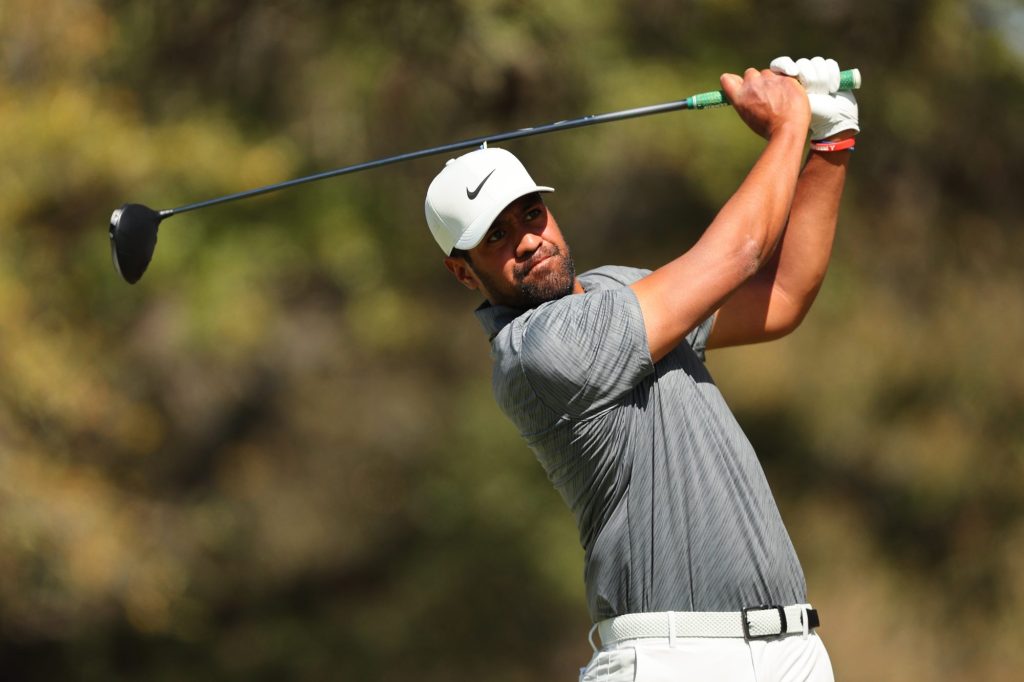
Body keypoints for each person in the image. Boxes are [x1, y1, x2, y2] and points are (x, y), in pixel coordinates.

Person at [423, 56, 858, 682]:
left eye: (529, 213)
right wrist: (789, 128)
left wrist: (830, 141)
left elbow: (781, 297)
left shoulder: (618, 290)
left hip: (791, 648)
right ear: (463, 272)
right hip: (672, 657)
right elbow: (736, 252)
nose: (526, 239)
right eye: (494, 236)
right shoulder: (539, 352)